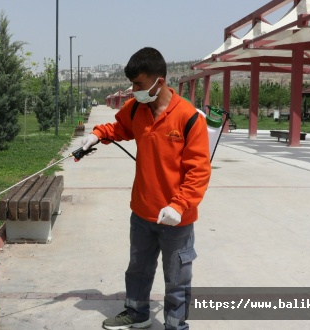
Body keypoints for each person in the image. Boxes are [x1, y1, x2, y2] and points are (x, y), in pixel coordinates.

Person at [81, 47, 212, 330]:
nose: (134, 90)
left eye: (139, 84)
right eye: (133, 84)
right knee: (138, 269)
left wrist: (179, 206)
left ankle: (176, 325)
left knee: (177, 278)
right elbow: (118, 129)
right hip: (142, 212)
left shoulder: (189, 118)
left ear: (159, 82)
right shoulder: (136, 109)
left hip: (176, 218)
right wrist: (96, 136)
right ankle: (137, 313)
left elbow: (199, 171)